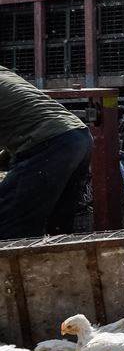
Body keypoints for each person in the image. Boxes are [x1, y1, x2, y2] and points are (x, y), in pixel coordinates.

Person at [0, 66, 93, 240]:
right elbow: (24, 118)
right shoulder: (4, 74)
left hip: (51, 145)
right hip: (78, 137)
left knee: (10, 228)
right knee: (58, 228)